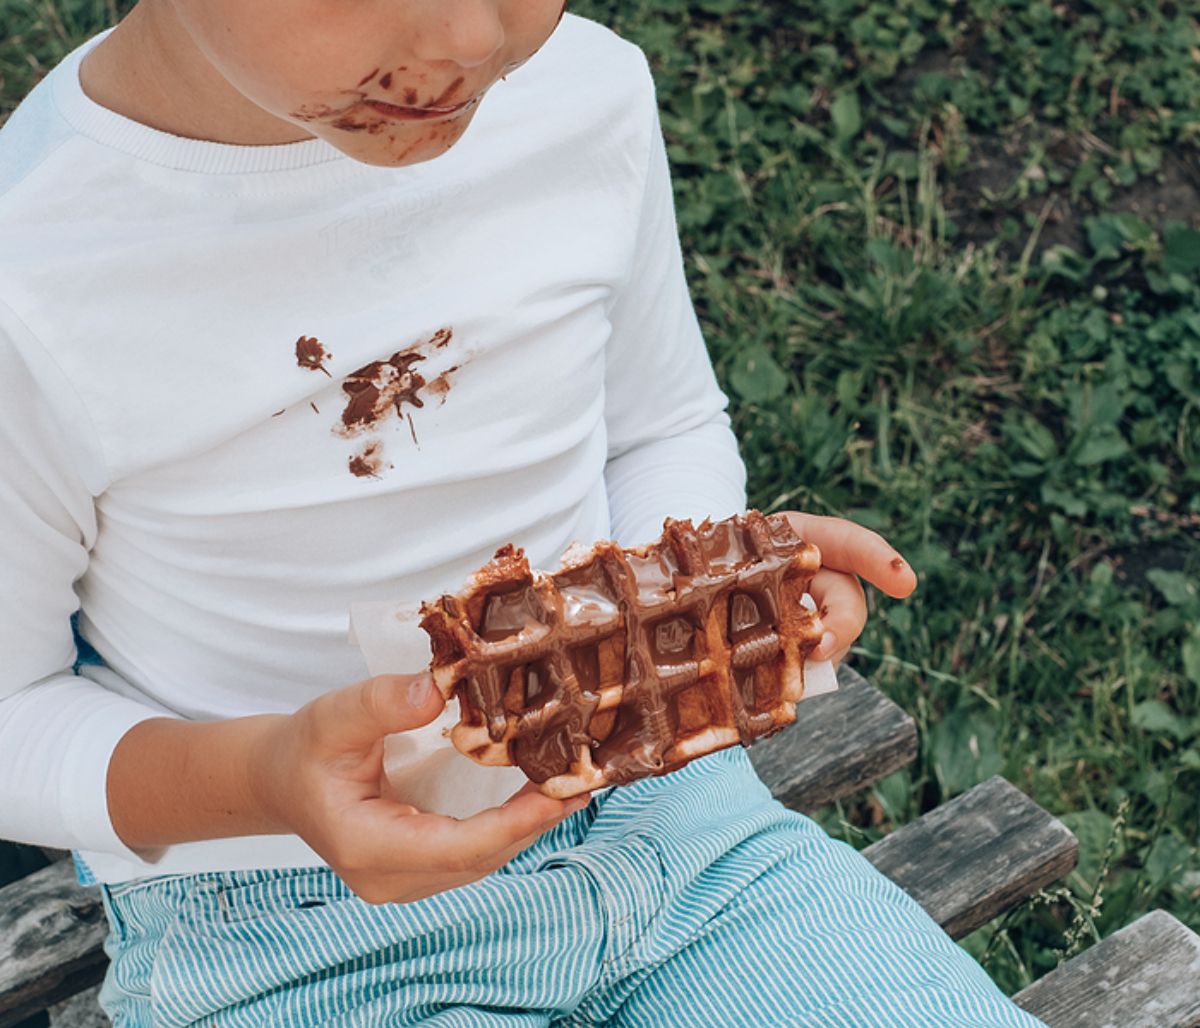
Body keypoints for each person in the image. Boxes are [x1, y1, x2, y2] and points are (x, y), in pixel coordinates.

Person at [0, 2, 1044, 1024]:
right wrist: (269, 780)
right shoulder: (35, 265)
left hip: (676, 822)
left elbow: (661, 425)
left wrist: (701, 590)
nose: (468, 35)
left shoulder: (583, 95)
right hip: (291, 925)